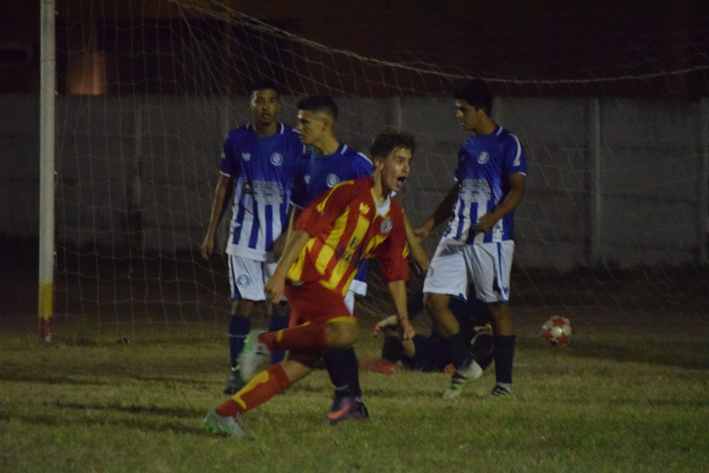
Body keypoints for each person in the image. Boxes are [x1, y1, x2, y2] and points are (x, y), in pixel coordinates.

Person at [203, 130, 417, 436]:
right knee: (346, 330)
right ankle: (263, 341)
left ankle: (224, 414)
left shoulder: (394, 215)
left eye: (409, 161)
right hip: (309, 275)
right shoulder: (348, 192)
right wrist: (278, 275)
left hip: (331, 289)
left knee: (298, 366)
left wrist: (404, 319)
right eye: (399, 160)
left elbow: (396, 272)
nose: (406, 168)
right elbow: (304, 228)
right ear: (380, 164)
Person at [415, 78, 526, 398]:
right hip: (456, 235)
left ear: (481, 110)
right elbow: (458, 191)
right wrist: (429, 225)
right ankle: (465, 364)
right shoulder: (468, 147)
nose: (458, 115)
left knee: (496, 309)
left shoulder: (508, 143)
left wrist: (494, 216)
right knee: (433, 300)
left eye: (463, 110)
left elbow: (518, 188)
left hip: (492, 240)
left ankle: (503, 384)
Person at [201, 80, 303, 395]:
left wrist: (289, 233)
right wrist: (211, 232)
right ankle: (236, 373)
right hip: (243, 236)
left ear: (279, 105)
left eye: (272, 101)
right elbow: (224, 186)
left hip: (280, 241)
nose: (265, 107)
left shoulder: (294, 142)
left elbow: (303, 193)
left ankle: (276, 372)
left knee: (279, 306)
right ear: (251, 104)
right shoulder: (236, 139)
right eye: (260, 101)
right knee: (243, 302)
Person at [290, 95, 374, 421]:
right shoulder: (305, 162)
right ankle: (352, 401)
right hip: (314, 264)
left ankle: (350, 400)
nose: (298, 128)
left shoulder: (356, 164)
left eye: (304, 122)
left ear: (325, 124)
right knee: (329, 335)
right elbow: (300, 214)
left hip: (344, 266)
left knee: (332, 332)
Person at [364, 281, 494, 374]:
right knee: (394, 326)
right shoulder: (442, 276)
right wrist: (396, 320)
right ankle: (387, 363)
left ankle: (465, 364)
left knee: (487, 338)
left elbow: (495, 323)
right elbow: (413, 306)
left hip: (468, 349)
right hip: (437, 346)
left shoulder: (483, 282)